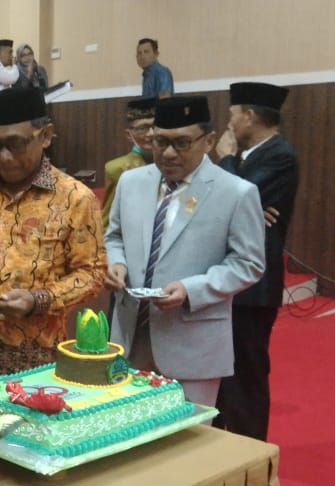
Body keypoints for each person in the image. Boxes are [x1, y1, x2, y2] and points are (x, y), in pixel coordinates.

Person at [0, 87, 106, 375]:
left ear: (45, 136)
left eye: (16, 144)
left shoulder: (75, 198)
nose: (5, 157)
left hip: (36, 358)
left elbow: (92, 273)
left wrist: (38, 300)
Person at [104, 96, 265, 409]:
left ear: (209, 141)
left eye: (181, 143)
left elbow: (249, 263)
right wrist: (117, 262)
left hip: (192, 344)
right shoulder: (130, 182)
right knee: (126, 429)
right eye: (160, 141)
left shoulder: (236, 192)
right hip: (129, 337)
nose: (168, 153)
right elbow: (114, 236)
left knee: (188, 436)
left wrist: (191, 290)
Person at [213, 82, 299, 441]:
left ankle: (249, 449)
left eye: (233, 114)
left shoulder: (280, 155)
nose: (229, 123)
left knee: (247, 372)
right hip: (227, 277)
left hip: (254, 286)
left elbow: (232, 199)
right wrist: (245, 208)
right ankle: (217, 444)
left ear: (249, 116)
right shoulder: (249, 158)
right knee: (218, 373)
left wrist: (226, 160)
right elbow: (231, 203)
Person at [102, 97, 156, 231]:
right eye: (143, 128)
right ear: (128, 134)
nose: (151, 133)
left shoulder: (173, 164)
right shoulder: (116, 169)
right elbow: (108, 220)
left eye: (155, 126)